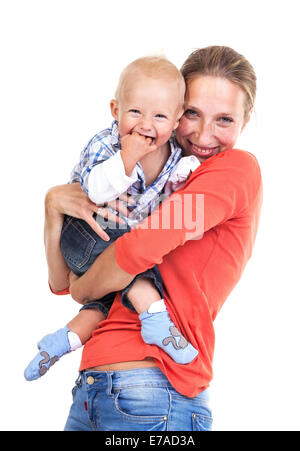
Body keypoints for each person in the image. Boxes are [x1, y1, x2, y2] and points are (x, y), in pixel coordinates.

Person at [43, 46, 262, 431]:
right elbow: (61, 280)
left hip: (156, 389)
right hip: (95, 386)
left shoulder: (234, 171)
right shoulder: (156, 172)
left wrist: (85, 287)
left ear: (246, 120)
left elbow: (133, 251)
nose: (203, 134)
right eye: (192, 113)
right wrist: (52, 206)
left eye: (224, 119)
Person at [24, 56, 201, 382]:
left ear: (176, 120)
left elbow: (164, 198)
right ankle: (156, 319)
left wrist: (182, 176)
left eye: (159, 116)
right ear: (115, 110)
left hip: (110, 248)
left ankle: (62, 341)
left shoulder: (174, 154)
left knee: (106, 304)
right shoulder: (106, 144)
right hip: (84, 234)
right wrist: (127, 157)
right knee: (137, 264)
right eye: (135, 112)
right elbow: (95, 189)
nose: (146, 125)